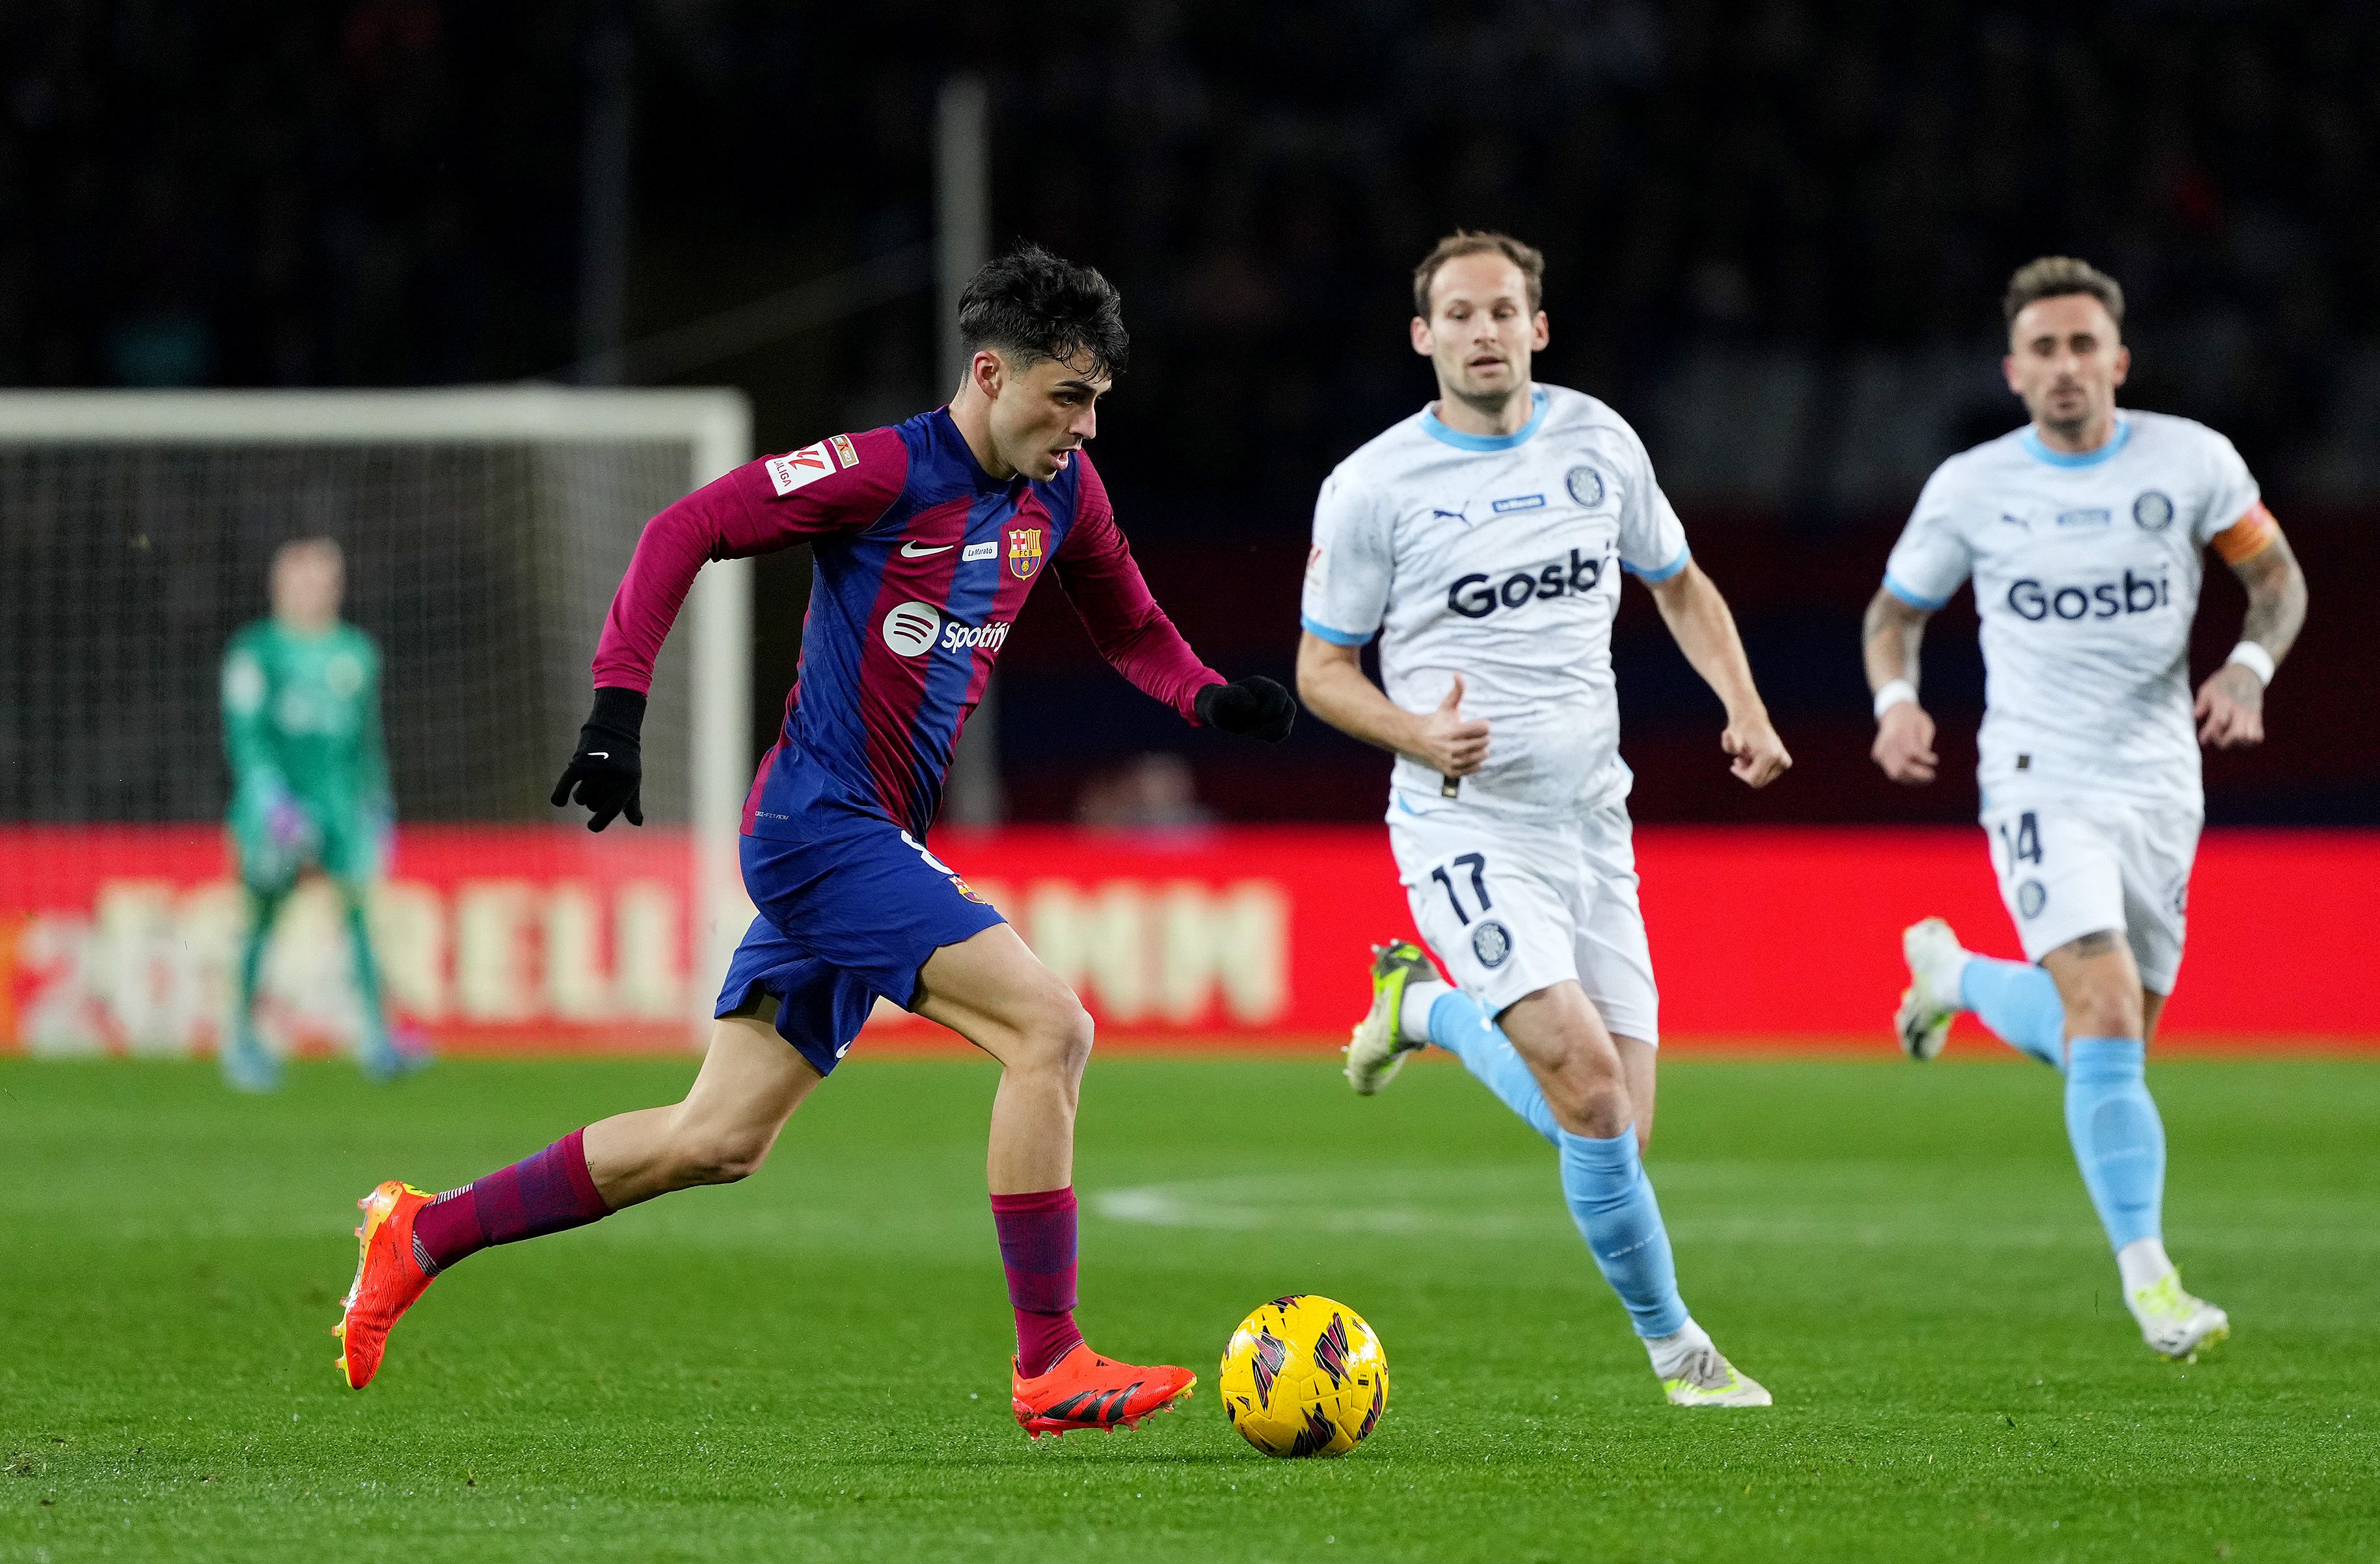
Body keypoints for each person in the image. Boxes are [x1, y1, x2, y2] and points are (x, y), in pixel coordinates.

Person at [331, 246, 1295, 1435]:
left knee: (716, 1138)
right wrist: (617, 708)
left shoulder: (1063, 495)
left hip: (866, 837)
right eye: (1068, 396)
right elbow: (684, 526)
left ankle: (420, 1232)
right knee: (1050, 1029)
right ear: (990, 374)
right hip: (819, 826)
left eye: (1097, 400)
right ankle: (1049, 1361)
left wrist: (1208, 699)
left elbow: (1129, 626)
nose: (1086, 426)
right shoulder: (884, 470)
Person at [1301, 232, 1791, 1408]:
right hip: (1464, 823)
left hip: (1590, 820)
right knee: (1590, 1091)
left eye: (1501, 311)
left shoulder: (1598, 442)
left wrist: (1743, 704)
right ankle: (1680, 1354)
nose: (1482, 331)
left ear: (1537, 327)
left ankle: (1419, 1007)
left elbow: (1678, 582)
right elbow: (1321, 670)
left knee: (1616, 1125)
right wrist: (1414, 732)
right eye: (1457, 315)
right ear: (1422, 336)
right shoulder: (1373, 485)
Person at [1867, 256, 2307, 1362]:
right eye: (2042, 350)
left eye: (2081, 346)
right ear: (2012, 371)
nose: (2063, 366)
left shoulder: (2192, 461)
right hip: (2036, 771)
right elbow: (1893, 613)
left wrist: (2248, 666)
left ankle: (1954, 977)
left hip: (2158, 779)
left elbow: (2276, 580)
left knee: (2110, 1042)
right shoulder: (1970, 487)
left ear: (2118, 360)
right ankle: (2152, 1283)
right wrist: (1895, 702)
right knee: (2104, 1018)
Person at [220, 537, 419, 1090]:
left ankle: (377, 1039)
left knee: (358, 913)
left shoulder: (355, 652)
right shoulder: (255, 651)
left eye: (324, 581)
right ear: (278, 585)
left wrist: (378, 804)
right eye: (302, 580)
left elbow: (367, 739)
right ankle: (241, 1039)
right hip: (277, 810)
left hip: (342, 806)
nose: (314, 591)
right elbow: (246, 737)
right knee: (263, 917)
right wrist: (269, 800)